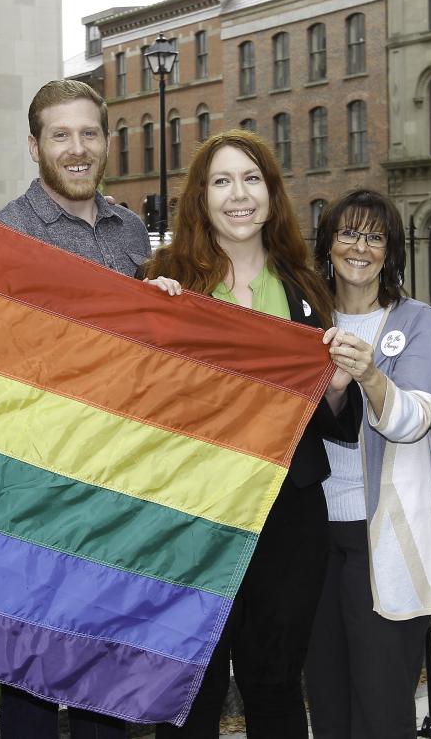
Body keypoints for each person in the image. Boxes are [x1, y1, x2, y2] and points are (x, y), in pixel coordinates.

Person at [142, 129, 359, 738]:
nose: (239, 195)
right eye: (221, 181)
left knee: (276, 683)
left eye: (251, 179)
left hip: (287, 514)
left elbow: (329, 416)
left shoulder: (306, 289)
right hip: (191, 514)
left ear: (271, 193)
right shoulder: (165, 281)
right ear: (200, 199)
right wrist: (147, 322)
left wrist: (338, 384)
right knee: (189, 687)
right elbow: (139, 398)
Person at [0, 79, 149, 738]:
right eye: (61, 135)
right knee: (30, 670)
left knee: (105, 673)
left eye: (89, 133)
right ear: (34, 146)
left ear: (107, 142)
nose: (77, 148)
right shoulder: (7, 233)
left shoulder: (133, 232)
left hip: (118, 488)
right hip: (36, 489)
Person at [304, 190, 431, 738]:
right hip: (312, 537)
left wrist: (369, 375)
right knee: (327, 699)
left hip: (383, 538)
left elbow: (413, 419)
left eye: (375, 237)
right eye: (348, 233)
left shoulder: (416, 321)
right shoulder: (303, 316)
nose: (360, 247)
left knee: (383, 705)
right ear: (328, 244)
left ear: (390, 252)